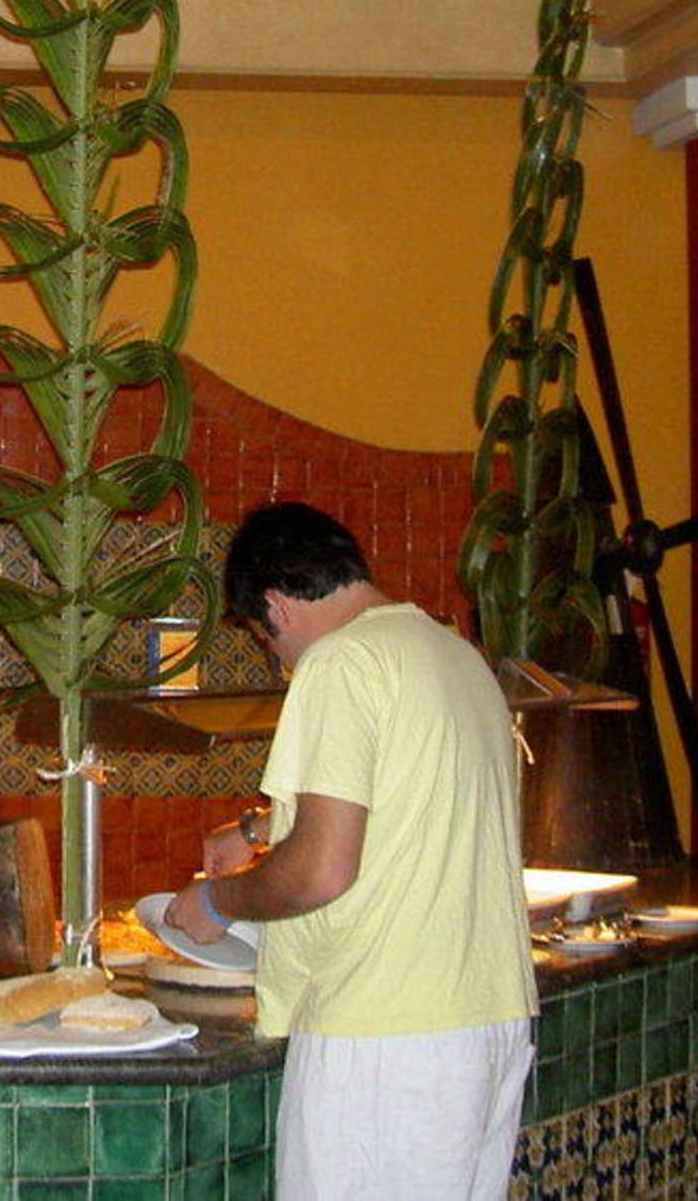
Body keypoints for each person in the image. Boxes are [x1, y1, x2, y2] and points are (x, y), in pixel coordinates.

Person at [165, 501, 536, 1200]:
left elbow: (321, 871)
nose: (277, 659)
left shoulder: (339, 662)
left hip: (384, 1033)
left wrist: (217, 901)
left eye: (264, 638)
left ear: (276, 606)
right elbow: (400, 795)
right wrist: (254, 831)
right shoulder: (453, 654)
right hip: (484, 1018)